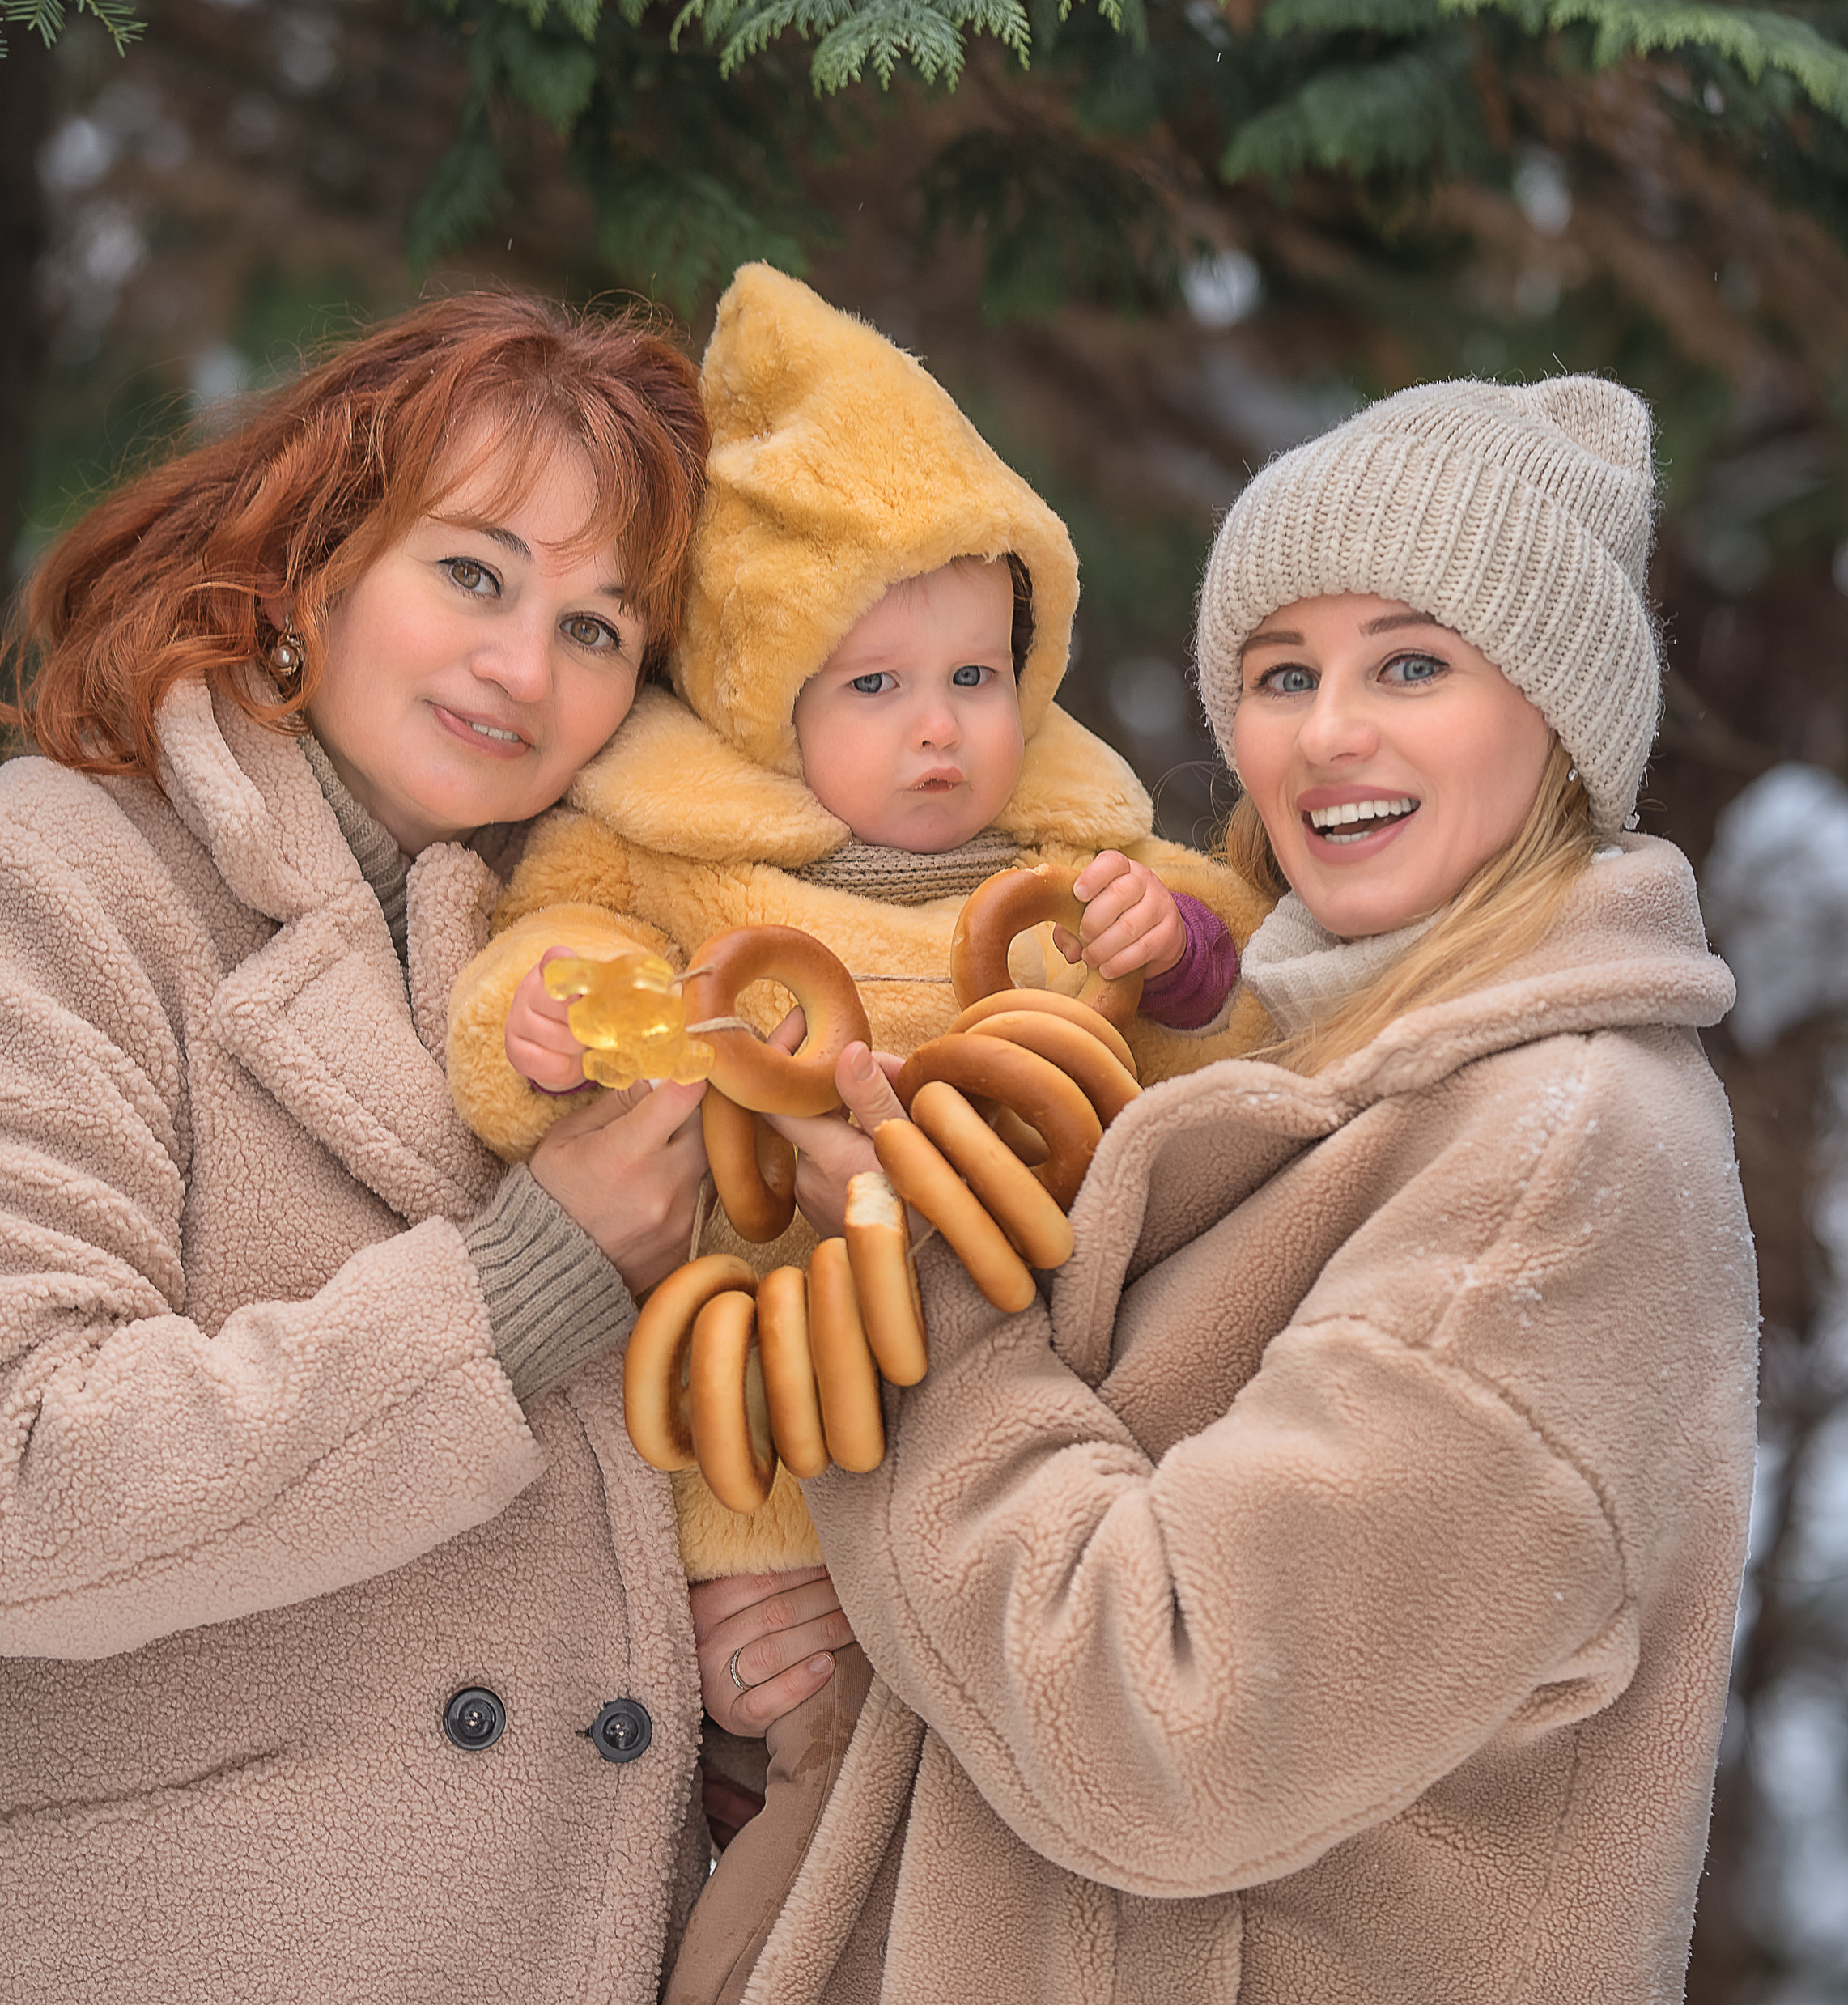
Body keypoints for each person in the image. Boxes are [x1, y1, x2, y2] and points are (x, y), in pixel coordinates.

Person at [0, 294, 805, 2005]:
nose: (523, 667)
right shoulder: (31, 888)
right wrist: (520, 1283)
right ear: (309, 561)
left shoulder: (565, 979)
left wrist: (738, 1671)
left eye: (596, 627)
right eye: (471, 573)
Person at [718, 376, 1760, 2002]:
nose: (1327, 729)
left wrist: (918, 1284)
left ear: (1557, 715)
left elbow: (1168, 1726)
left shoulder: (1555, 1160)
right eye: (1282, 673)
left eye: (1409, 663)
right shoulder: (1285, 1062)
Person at [444, 265, 1269, 2004]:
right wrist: (552, 1019)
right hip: (771, 1440)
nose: (940, 726)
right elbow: (553, 941)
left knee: (1010, 1838)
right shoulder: (680, 850)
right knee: (804, 1832)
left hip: (1035, 1430)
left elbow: (1246, 1011)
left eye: (976, 672)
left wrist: (1176, 953)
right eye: (875, 682)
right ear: (766, 696)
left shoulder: (1071, 860)